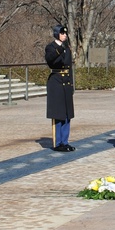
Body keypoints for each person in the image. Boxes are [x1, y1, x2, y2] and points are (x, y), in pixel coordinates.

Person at [45, 24, 75, 152]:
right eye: (62, 33)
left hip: (66, 82)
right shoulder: (51, 47)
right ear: (57, 34)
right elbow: (51, 61)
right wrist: (59, 49)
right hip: (56, 82)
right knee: (58, 114)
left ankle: (65, 141)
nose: (65, 35)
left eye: (65, 34)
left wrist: (72, 84)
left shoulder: (67, 48)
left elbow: (69, 67)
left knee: (67, 114)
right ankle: (57, 143)